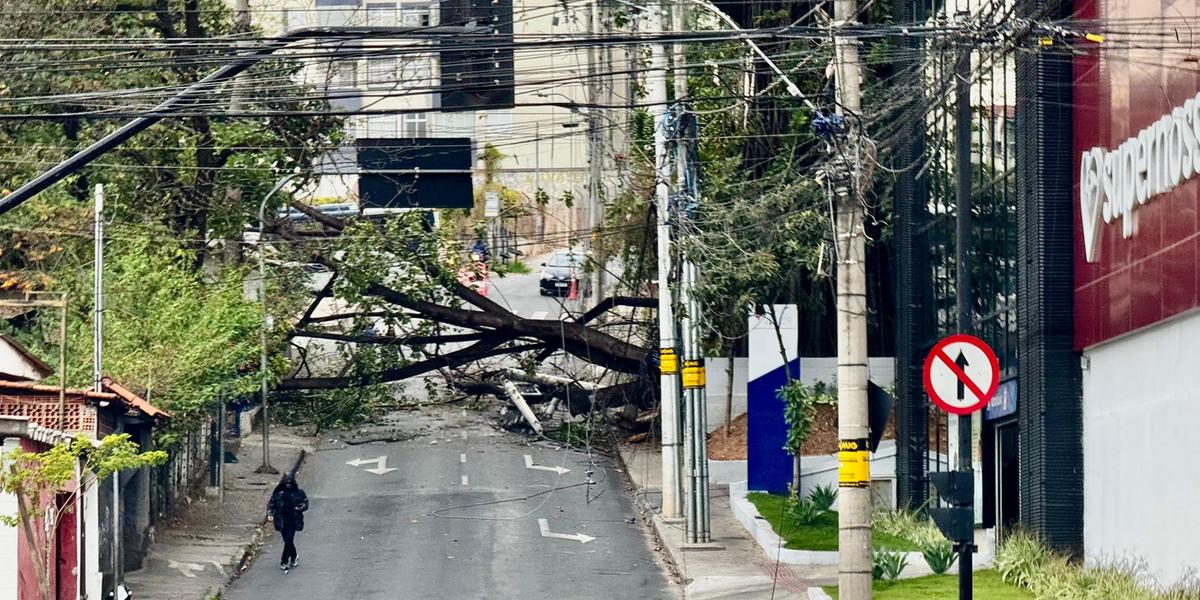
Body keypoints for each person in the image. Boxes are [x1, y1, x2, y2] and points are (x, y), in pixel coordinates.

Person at [268, 474, 308, 571]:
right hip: (281, 520)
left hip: (293, 520)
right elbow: (272, 503)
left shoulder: (299, 492)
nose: (288, 485)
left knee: (289, 539)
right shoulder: (278, 493)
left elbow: (305, 503)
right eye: (286, 483)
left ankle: (284, 560)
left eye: (290, 483)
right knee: (287, 540)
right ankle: (293, 555)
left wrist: (300, 507)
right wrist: (270, 513)